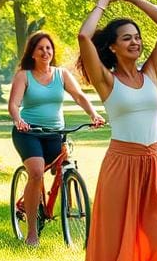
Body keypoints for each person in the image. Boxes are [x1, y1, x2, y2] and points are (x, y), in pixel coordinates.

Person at [76, 0, 157, 261]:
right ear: (113, 47)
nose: (135, 42)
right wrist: (103, 3)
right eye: (127, 38)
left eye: (137, 37)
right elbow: (84, 37)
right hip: (122, 162)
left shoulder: (151, 73)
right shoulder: (107, 80)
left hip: (154, 161)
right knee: (117, 237)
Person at [8, 32, 105, 246]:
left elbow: (79, 96)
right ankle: (32, 233)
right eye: (40, 48)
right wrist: (18, 120)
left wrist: (93, 114)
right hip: (29, 132)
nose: (45, 52)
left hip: (55, 132)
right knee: (35, 172)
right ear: (32, 53)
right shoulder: (24, 75)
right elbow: (13, 105)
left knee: (62, 166)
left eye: (49, 48)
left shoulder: (61, 74)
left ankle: (55, 201)